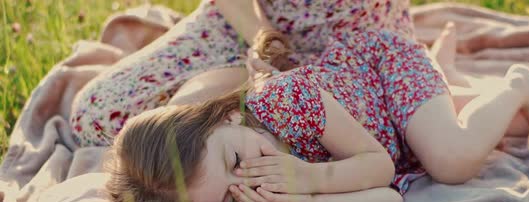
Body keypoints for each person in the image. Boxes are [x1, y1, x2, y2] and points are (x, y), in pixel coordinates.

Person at [104, 23, 529, 202]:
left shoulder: (284, 101)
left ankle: (519, 84)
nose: (251, 177)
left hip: (382, 72)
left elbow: (380, 168)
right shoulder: (262, 198)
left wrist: (310, 176)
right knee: (496, 129)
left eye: (236, 160)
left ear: (225, 117)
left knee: (452, 159)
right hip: (380, 123)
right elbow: (386, 201)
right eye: (229, 195)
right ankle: (446, 73)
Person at [70, 0, 414, 147]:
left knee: (364, 145)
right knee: (99, 118)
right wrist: (265, 42)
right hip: (249, 24)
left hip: (353, 34)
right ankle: (238, 86)